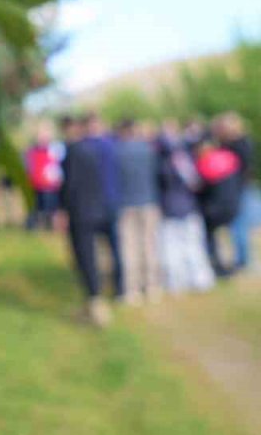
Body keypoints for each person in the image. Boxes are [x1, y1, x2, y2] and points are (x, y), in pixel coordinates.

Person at [57, 112, 124, 325]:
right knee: (106, 250)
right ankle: (112, 290)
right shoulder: (98, 149)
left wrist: (63, 210)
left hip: (82, 211)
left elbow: (70, 186)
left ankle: (95, 303)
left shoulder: (74, 151)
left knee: (85, 255)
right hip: (101, 208)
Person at [156, 120, 214, 294]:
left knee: (172, 248)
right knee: (191, 245)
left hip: (170, 207)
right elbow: (194, 183)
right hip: (185, 207)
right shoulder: (180, 159)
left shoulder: (160, 159)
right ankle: (197, 280)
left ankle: (176, 282)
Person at [114, 119, 161, 303]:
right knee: (149, 245)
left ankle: (131, 290)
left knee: (129, 247)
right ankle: (152, 286)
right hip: (148, 201)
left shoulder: (117, 152)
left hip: (126, 204)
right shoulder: (148, 150)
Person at [195, 138, 243, 278]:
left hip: (215, 209)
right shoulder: (229, 158)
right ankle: (232, 264)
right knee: (230, 236)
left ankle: (217, 266)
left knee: (211, 238)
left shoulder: (205, 165)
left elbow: (202, 190)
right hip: (233, 205)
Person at [214, 112, 255, 270]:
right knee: (237, 226)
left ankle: (242, 260)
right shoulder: (231, 144)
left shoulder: (241, 144)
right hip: (235, 190)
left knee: (240, 225)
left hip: (240, 190)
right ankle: (241, 259)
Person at [24, 122, 63, 231]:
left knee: (49, 207)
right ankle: (34, 224)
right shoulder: (32, 151)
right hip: (35, 184)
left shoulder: (55, 150)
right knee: (35, 206)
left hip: (50, 185)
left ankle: (49, 224)